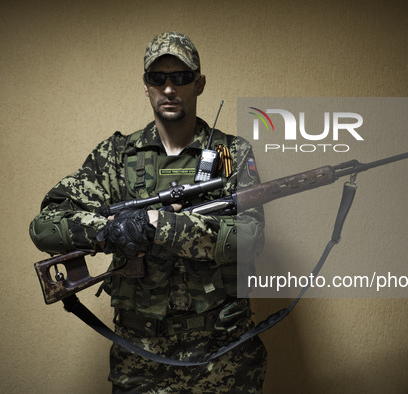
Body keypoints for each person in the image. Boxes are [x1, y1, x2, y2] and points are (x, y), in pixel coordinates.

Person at [29, 31, 267, 393]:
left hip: (224, 353)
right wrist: (111, 232)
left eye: (181, 78)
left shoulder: (230, 153)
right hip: (141, 357)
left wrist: (165, 227)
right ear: (146, 86)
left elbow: (252, 235)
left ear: (199, 84)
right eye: (158, 79)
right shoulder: (116, 156)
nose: (169, 88)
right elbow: (44, 226)